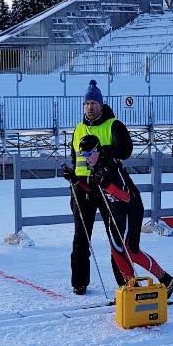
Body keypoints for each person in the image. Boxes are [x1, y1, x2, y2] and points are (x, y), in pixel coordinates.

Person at [64, 134, 173, 299]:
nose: (86, 158)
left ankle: (166, 279)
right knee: (116, 251)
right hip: (115, 211)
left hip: (131, 210)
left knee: (131, 251)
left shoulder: (112, 166)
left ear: (97, 150)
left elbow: (126, 196)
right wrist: (75, 180)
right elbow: (93, 191)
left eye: (89, 154)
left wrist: (106, 185)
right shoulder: (95, 167)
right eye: (83, 155)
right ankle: (132, 288)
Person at [62, 79, 133, 295]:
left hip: (107, 188)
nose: (90, 107)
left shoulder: (113, 125)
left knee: (116, 237)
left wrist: (102, 151)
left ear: (101, 105)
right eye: (87, 103)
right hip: (83, 190)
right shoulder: (78, 129)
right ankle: (79, 282)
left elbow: (126, 150)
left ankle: (124, 281)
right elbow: (77, 161)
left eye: (94, 103)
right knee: (81, 237)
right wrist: (72, 175)